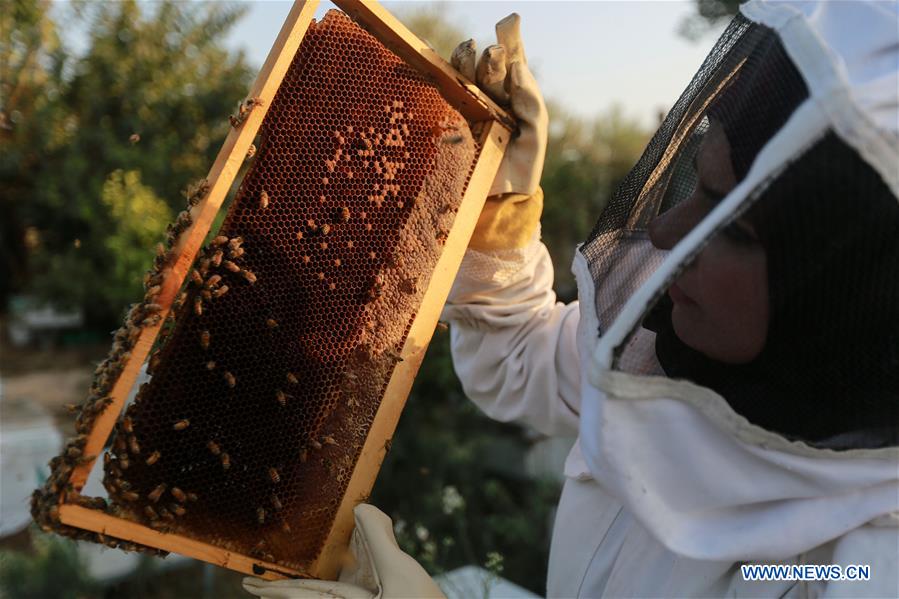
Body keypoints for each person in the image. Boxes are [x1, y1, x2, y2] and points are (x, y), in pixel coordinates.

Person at [244, 1, 898, 597]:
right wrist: (499, 213)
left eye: (728, 227)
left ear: (851, 296)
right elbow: (517, 361)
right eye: (695, 186)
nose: (669, 234)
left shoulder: (857, 564)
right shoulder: (660, 349)